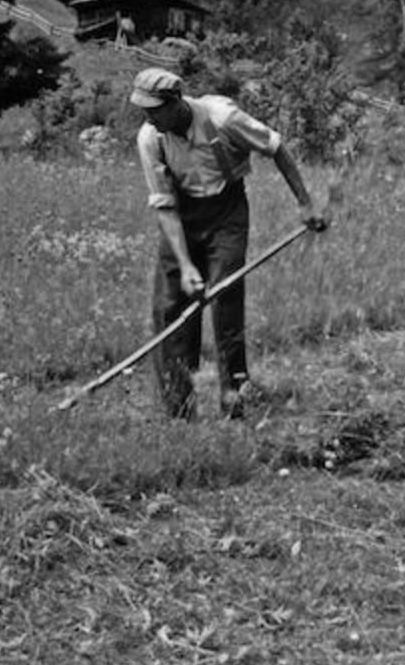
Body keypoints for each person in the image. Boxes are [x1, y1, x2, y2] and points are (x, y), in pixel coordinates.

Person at [130, 67, 328, 420]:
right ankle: (179, 404)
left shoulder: (222, 118)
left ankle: (234, 395)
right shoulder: (150, 137)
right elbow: (164, 204)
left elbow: (275, 146)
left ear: (175, 102)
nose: (148, 117)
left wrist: (305, 203)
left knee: (226, 296)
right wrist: (187, 265)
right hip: (181, 217)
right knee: (169, 305)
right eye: (143, 110)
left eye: (153, 109)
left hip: (227, 211)